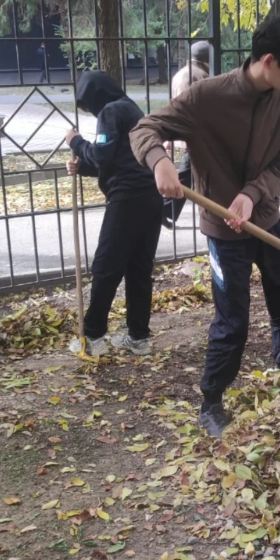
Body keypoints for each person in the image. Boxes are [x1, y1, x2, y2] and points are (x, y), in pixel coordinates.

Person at [130, 13, 280, 437]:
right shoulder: (206, 98)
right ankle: (211, 401)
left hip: (265, 219)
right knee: (232, 317)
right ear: (269, 61)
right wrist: (159, 161)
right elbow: (144, 128)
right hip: (223, 229)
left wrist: (251, 194)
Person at [65, 70, 163, 357]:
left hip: (127, 200)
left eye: (87, 105)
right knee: (139, 268)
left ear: (95, 96)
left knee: (106, 267)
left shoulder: (110, 111)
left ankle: (92, 336)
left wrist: (75, 142)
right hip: (151, 197)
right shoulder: (131, 109)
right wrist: (83, 167)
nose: (91, 110)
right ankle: (138, 337)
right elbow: (120, 158)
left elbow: (101, 154)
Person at [162, 41, 211, 229]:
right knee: (189, 174)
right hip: (199, 133)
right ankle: (165, 209)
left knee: (189, 174)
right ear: (207, 59)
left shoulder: (179, 74)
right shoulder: (201, 76)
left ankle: (166, 209)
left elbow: (173, 106)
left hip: (185, 130)